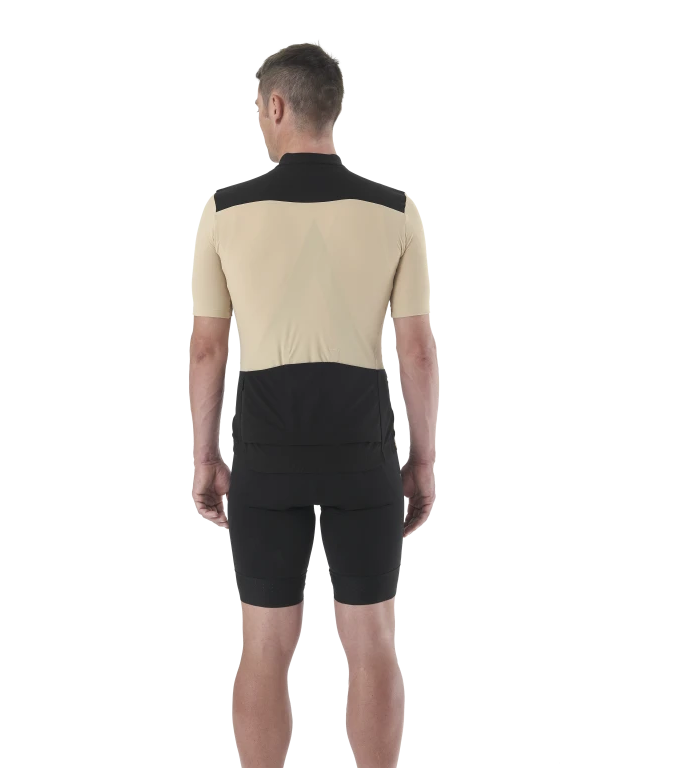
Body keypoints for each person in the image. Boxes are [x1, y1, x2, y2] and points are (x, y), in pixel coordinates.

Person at [189, 39, 438, 768]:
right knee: (374, 641)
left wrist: (205, 457)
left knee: (264, 644)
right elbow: (418, 351)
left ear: (276, 105)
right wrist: (424, 460)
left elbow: (207, 350)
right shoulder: (394, 211)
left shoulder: (225, 211)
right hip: (361, 447)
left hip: (267, 447)